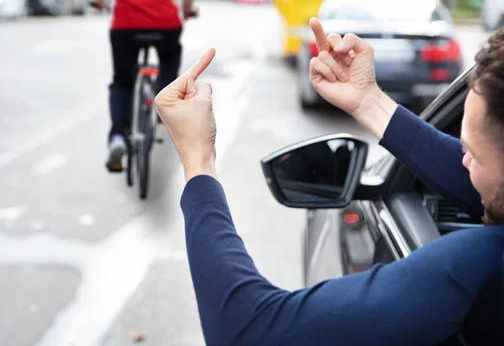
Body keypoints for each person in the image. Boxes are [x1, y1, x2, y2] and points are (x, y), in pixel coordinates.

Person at [154, 21, 504, 345]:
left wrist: (197, 157)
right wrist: (368, 101)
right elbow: (472, 178)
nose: (463, 161)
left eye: (472, 151)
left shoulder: (484, 265)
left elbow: (245, 327)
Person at [89, 0, 196, 172]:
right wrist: (187, 9)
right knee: (171, 53)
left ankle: (118, 137)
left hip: (125, 23)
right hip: (164, 22)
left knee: (122, 82)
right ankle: (163, 101)